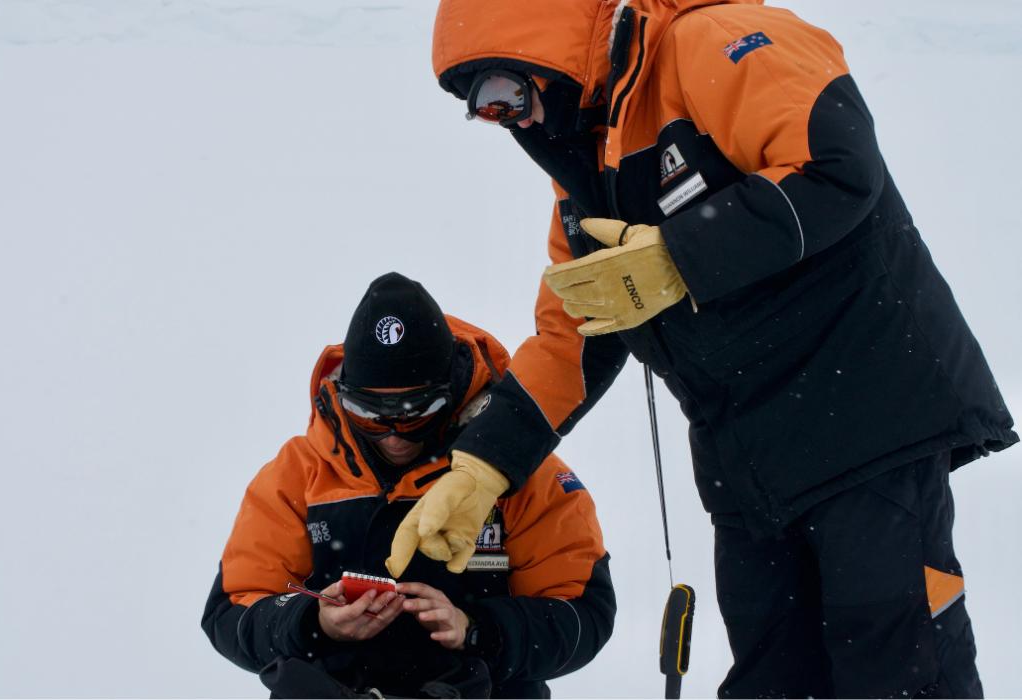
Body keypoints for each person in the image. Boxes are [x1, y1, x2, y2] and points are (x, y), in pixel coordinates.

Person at [384, 1, 1019, 697]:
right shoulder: (589, 169)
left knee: (896, 670)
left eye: (506, 92)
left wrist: (683, 256)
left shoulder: (714, 41)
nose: (510, 118)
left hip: (869, 426)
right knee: (771, 680)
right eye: (484, 110)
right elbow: (574, 332)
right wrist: (482, 467)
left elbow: (837, 164)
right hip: (750, 473)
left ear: (552, 49)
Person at [202, 273, 615, 699]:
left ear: (452, 390)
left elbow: (583, 614)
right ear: (343, 396)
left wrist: (475, 629)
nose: (394, 434)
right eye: (368, 413)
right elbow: (231, 612)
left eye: (417, 411)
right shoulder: (297, 475)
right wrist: (312, 621)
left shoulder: (519, 470)